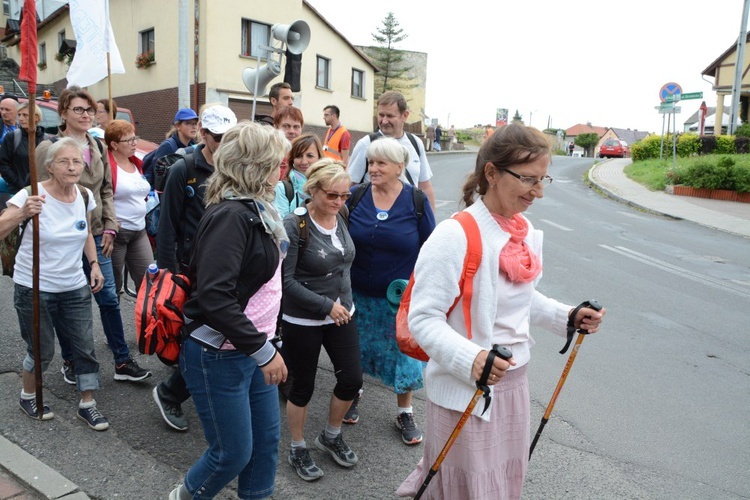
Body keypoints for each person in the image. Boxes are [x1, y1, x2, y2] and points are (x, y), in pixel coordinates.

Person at [397, 124, 606, 499]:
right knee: (466, 489)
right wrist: (473, 359)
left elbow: (522, 298)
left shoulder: (521, 231)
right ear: (492, 173)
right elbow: (423, 318)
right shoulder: (454, 235)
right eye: (528, 179)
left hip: (513, 386)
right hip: (466, 390)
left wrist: (568, 316)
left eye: (543, 180)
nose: (538, 192)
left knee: (501, 485)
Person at [170, 121, 289, 500]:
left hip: (251, 348)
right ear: (255, 166)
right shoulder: (231, 216)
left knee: (265, 443)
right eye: (276, 162)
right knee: (231, 453)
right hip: (219, 354)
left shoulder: (256, 208)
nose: (281, 170)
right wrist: (264, 350)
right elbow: (215, 297)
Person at [36, 86, 151, 384]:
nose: (86, 115)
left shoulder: (98, 146)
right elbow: (41, 194)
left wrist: (110, 225)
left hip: (98, 235)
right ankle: (71, 359)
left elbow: (106, 190)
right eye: (79, 109)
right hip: (63, 239)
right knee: (67, 301)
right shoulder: (47, 149)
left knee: (109, 298)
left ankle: (122, 361)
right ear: (63, 113)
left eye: (90, 110)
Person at [0, 137, 110, 430]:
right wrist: (24, 212)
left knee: (84, 346)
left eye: (76, 161)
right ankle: (28, 395)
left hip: (74, 285)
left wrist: (95, 264)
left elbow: (85, 232)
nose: (72, 167)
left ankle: (88, 403)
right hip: (33, 286)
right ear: (49, 167)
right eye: (64, 161)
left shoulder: (85, 195)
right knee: (41, 348)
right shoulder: (30, 195)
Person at [345, 137, 435, 444]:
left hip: (397, 299)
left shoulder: (415, 202)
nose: (373, 168)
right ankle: (351, 394)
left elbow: (431, 248)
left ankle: (405, 412)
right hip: (355, 294)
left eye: (381, 163)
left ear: (400, 167)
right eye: (371, 162)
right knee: (354, 349)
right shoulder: (355, 196)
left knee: (403, 356)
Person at [152, 105, 237, 432]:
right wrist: (166, 274)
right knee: (199, 335)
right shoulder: (184, 168)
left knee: (217, 332)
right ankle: (170, 391)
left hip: (226, 266)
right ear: (203, 134)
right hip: (191, 269)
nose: (225, 143)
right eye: (219, 138)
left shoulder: (235, 166)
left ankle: (192, 388)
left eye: (230, 138)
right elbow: (168, 225)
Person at [282, 158, 362, 482]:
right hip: (303, 318)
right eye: (332, 195)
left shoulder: (340, 214)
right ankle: (298, 446)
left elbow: (344, 263)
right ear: (312, 190)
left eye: (344, 196)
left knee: (352, 380)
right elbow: (285, 282)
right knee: (301, 387)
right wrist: (325, 305)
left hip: (343, 313)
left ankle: (330, 435)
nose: (339, 202)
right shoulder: (294, 224)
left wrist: (340, 303)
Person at [348, 91, 436, 209]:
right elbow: (350, 186)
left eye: (390, 116)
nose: (384, 121)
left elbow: (425, 186)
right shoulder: (366, 144)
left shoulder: (415, 143)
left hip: (409, 218)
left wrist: (430, 222)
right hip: (373, 219)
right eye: (381, 115)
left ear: (404, 115)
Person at [104, 119, 152, 293]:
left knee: (148, 284)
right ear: (114, 145)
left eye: (135, 138)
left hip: (139, 231)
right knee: (113, 287)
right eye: (129, 140)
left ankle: (146, 320)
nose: (134, 143)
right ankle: (113, 321)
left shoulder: (136, 162)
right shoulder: (107, 166)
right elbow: (103, 197)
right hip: (117, 233)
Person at [142, 108, 199, 186]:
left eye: (195, 123)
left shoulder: (193, 146)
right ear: (178, 126)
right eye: (188, 123)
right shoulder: (167, 146)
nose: (194, 127)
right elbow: (158, 176)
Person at [273, 133, 323, 218]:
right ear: (292, 160)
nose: (304, 161)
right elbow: (283, 225)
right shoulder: (282, 189)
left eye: (310, 156)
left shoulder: (326, 188)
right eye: (299, 156)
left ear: (319, 158)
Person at [0, 102, 45, 194]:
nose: (21, 118)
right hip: (18, 191)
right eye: (19, 115)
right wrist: (17, 182)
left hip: (42, 190)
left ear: (36, 118)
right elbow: (3, 164)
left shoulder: (45, 139)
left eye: (25, 115)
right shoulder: (12, 137)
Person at [274, 105, 304, 179]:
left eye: (296, 127)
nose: (291, 131)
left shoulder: (307, 157)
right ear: (275, 127)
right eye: (286, 126)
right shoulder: (268, 156)